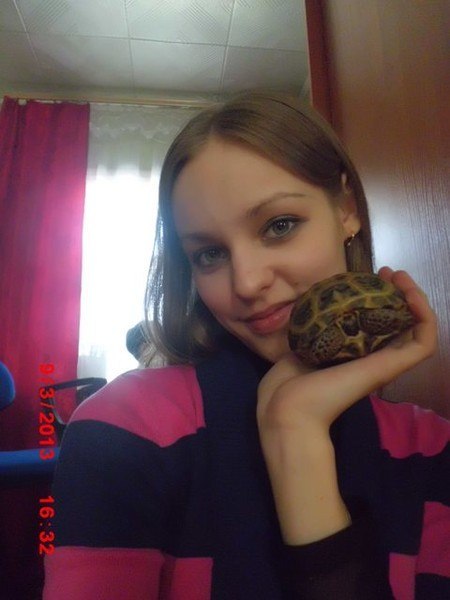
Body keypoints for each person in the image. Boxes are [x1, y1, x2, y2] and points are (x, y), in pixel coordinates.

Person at [43, 92, 449, 599]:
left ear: (346, 210)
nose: (248, 283)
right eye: (210, 254)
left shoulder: (432, 449)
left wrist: (295, 436)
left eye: (279, 226)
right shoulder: (124, 430)